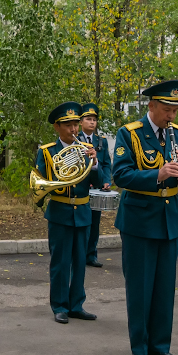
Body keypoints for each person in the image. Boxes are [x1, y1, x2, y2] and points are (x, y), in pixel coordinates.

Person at [112, 81, 178, 355]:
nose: (171, 116)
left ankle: (161, 345)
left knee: (164, 288)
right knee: (140, 286)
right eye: (167, 110)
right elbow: (121, 175)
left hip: (168, 219)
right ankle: (140, 346)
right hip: (139, 221)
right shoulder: (129, 133)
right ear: (152, 106)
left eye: (175, 110)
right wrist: (157, 174)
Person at [37, 102, 98, 324]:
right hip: (60, 210)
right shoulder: (47, 151)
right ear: (57, 127)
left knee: (80, 260)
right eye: (68, 125)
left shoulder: (85, 149)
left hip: (82, 210)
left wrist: (94, 163)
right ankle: (60, 305)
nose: (73, 129)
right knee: (61, 262)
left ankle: (76, 305)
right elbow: (42, 181)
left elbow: (99, 181)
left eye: (75, 124)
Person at [78, 102, 111, 268]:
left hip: (97, 188)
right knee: (82, 223)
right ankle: (79, 255)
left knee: (95, 222)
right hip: (82, 188)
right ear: (81, 122)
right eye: (88, 119)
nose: (92, 122)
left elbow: (106, 164)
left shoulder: (101, 141)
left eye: (94, 120)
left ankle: (91, 255)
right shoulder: (75, 138)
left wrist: (106, 181)